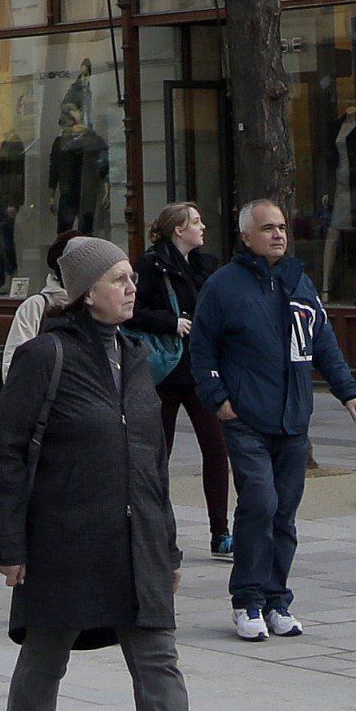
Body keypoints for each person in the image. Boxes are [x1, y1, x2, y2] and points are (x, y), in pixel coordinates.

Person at [0, 233, 251, 711]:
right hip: (64, 537)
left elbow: (151, 457)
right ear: (85, 293)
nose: (132, 287)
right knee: (46, 652)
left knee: (159, 662)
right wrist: (10, 546)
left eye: (131, 277)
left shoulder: (135, 357)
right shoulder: (45, 356)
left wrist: (170, 545)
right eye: (120, 279)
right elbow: (10, 455)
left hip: (139, 537)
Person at [188, 198, 356, 642]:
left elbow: (323, 341)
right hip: (246, 418)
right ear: (246, 236)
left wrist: (349, 393)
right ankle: (246, 600)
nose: (279, 234)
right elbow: (202, 347)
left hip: (293, 419)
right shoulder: (223, 286)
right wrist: (218, 398)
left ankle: (276, 601)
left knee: (284, 514)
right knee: (260, 504)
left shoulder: (298, 282)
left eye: (283, 227)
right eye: (268, 228)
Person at [139, 203, 232, 559]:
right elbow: (133, 310)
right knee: (159, 454)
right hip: (163, 371)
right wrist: (170, 322)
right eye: (195, 221)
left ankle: (220, 532)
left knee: (216, 448)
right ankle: (158, 532)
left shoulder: (206, 266)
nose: (203, 226)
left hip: (198, 371)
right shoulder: (151, 264)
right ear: (178, 229)